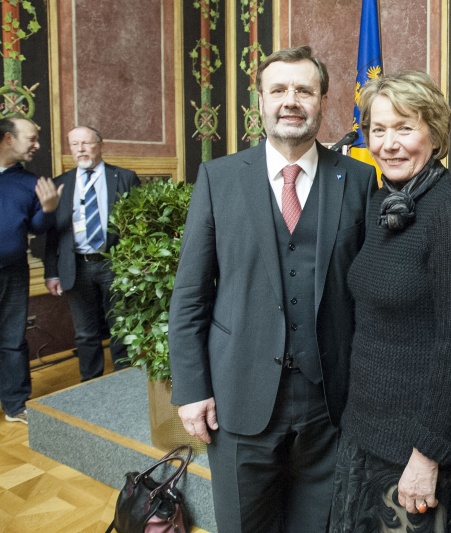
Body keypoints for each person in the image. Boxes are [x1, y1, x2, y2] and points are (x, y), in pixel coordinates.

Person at [168, 45, 377, 532]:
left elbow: (370, 298)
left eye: (304, 90)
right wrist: (192, 390)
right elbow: (191, 295)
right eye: (278, 90)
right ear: (259, 101)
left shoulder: (361, 180)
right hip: (238, 397)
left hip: (330, 404)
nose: (291, 100)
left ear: (323, 101)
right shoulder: (219, 178)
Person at [329, 71, 451, 532]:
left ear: (435, 134)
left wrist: (427, 456)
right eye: (377, 130)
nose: (388, 143)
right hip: (368, 430)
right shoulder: (385, 202)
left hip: (419, 448)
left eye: (404, 128)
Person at [44, 126, 140, 381]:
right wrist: (51, 273)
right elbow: (53, 234)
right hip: (76, 265)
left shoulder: (125, 178)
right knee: (85, 333)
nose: (81, 149)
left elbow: (138, 226)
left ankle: (124, 379)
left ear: (100, 145)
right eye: (75, 144)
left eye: (86, 143)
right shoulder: (60, 183)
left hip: (114, 264)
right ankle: (90, 383)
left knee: (120, 326)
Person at [0, 117, 63, 424]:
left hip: (13, 272)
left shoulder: (32, 183)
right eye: (32, 138)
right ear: (8, 139)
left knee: (12, 338)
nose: (37, 145)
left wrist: (49, 210)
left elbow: (38, 228)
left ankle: (15, 404)